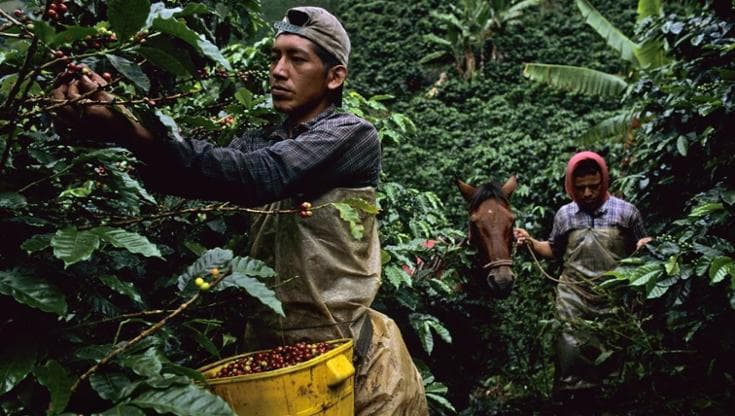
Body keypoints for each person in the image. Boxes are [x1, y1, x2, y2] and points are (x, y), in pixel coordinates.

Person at [51, 6, 428, 415]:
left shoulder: (351, 135)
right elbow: (194, 175)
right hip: (270, 347)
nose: (278, 70)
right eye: (274, 56)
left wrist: (127, 127)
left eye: (297, 59)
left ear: (334, 76)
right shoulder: (262, 139)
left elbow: (260, 175)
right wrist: (114, 121)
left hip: (348, 352)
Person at [514, 151, 652, 403]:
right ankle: (573, 399)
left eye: (593, 186)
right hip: (573, 296)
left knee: (614, 352)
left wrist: (646, 245)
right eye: (580, 188)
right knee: (570, 350)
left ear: (604, 181)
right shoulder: (565, 215)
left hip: (613, 295)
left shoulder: (626, 212)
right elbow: (554, 250)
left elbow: (641, 247)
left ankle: (614, 398)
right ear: (571, 186)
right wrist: (531, 242)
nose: (587, 193)